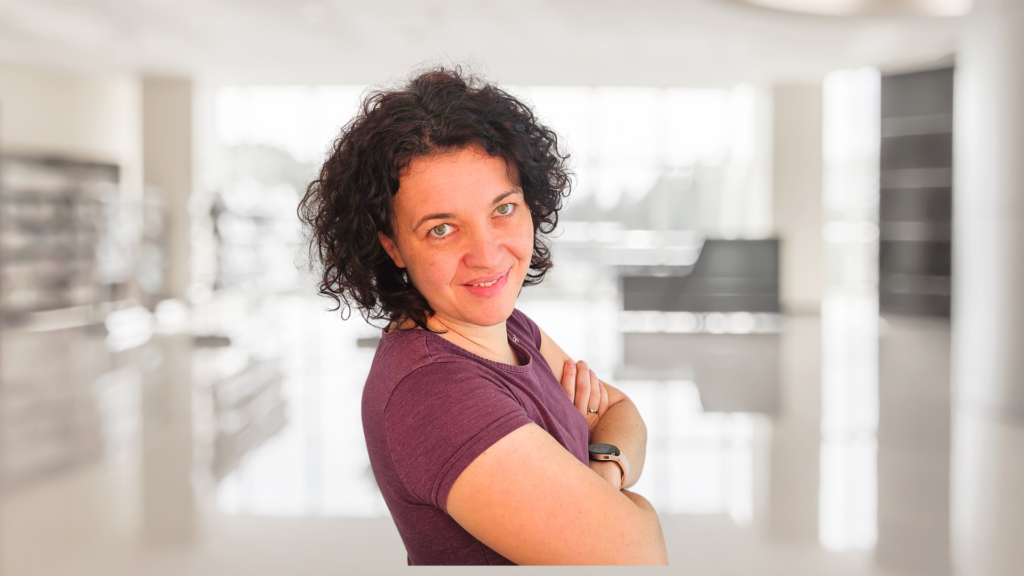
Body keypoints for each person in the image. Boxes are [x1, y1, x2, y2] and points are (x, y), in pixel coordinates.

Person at [299, 66, 667, 566]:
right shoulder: (436, 392)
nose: (487, 254)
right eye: (442, 228)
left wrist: (599, 473)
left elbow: (623, 412)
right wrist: (626, 498)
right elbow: (636, 554)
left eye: (503, 209)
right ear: (392, 246)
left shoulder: (505, 326)